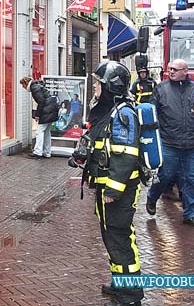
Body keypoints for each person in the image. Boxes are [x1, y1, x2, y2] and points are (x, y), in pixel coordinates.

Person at [84, 60, 144, 306]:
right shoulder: (111, 110)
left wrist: (113, 189)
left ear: (111, 86)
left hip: (118, 190)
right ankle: (120, 283)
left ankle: (130, 295)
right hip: (105, 185)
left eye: (99, 83)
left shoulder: (123, 113)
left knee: (120, 238)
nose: (95, 87)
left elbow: (127, 154)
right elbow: (105, 144)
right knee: (112, 237)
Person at [145, 58, 194, 228]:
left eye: (175, 69)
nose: (171, 71)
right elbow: (153, 114)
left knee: (190, 179)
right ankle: (152, 197)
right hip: (168, 143)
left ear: (185, 71)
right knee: (164, 177)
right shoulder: (161, 89)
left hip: (190, 145)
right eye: (170, 69)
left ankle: (190, 214)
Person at [20, 76, 58, 159]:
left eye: (23, 86)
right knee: (47, 132)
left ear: (25, 83)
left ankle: (37, 152)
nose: (23, 88)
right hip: (52, 108)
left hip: (47, 111)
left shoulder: (34, 88)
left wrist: (37, 115)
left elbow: (41, 101)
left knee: (39, 131)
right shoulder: (38, 85)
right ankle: (47, 152)